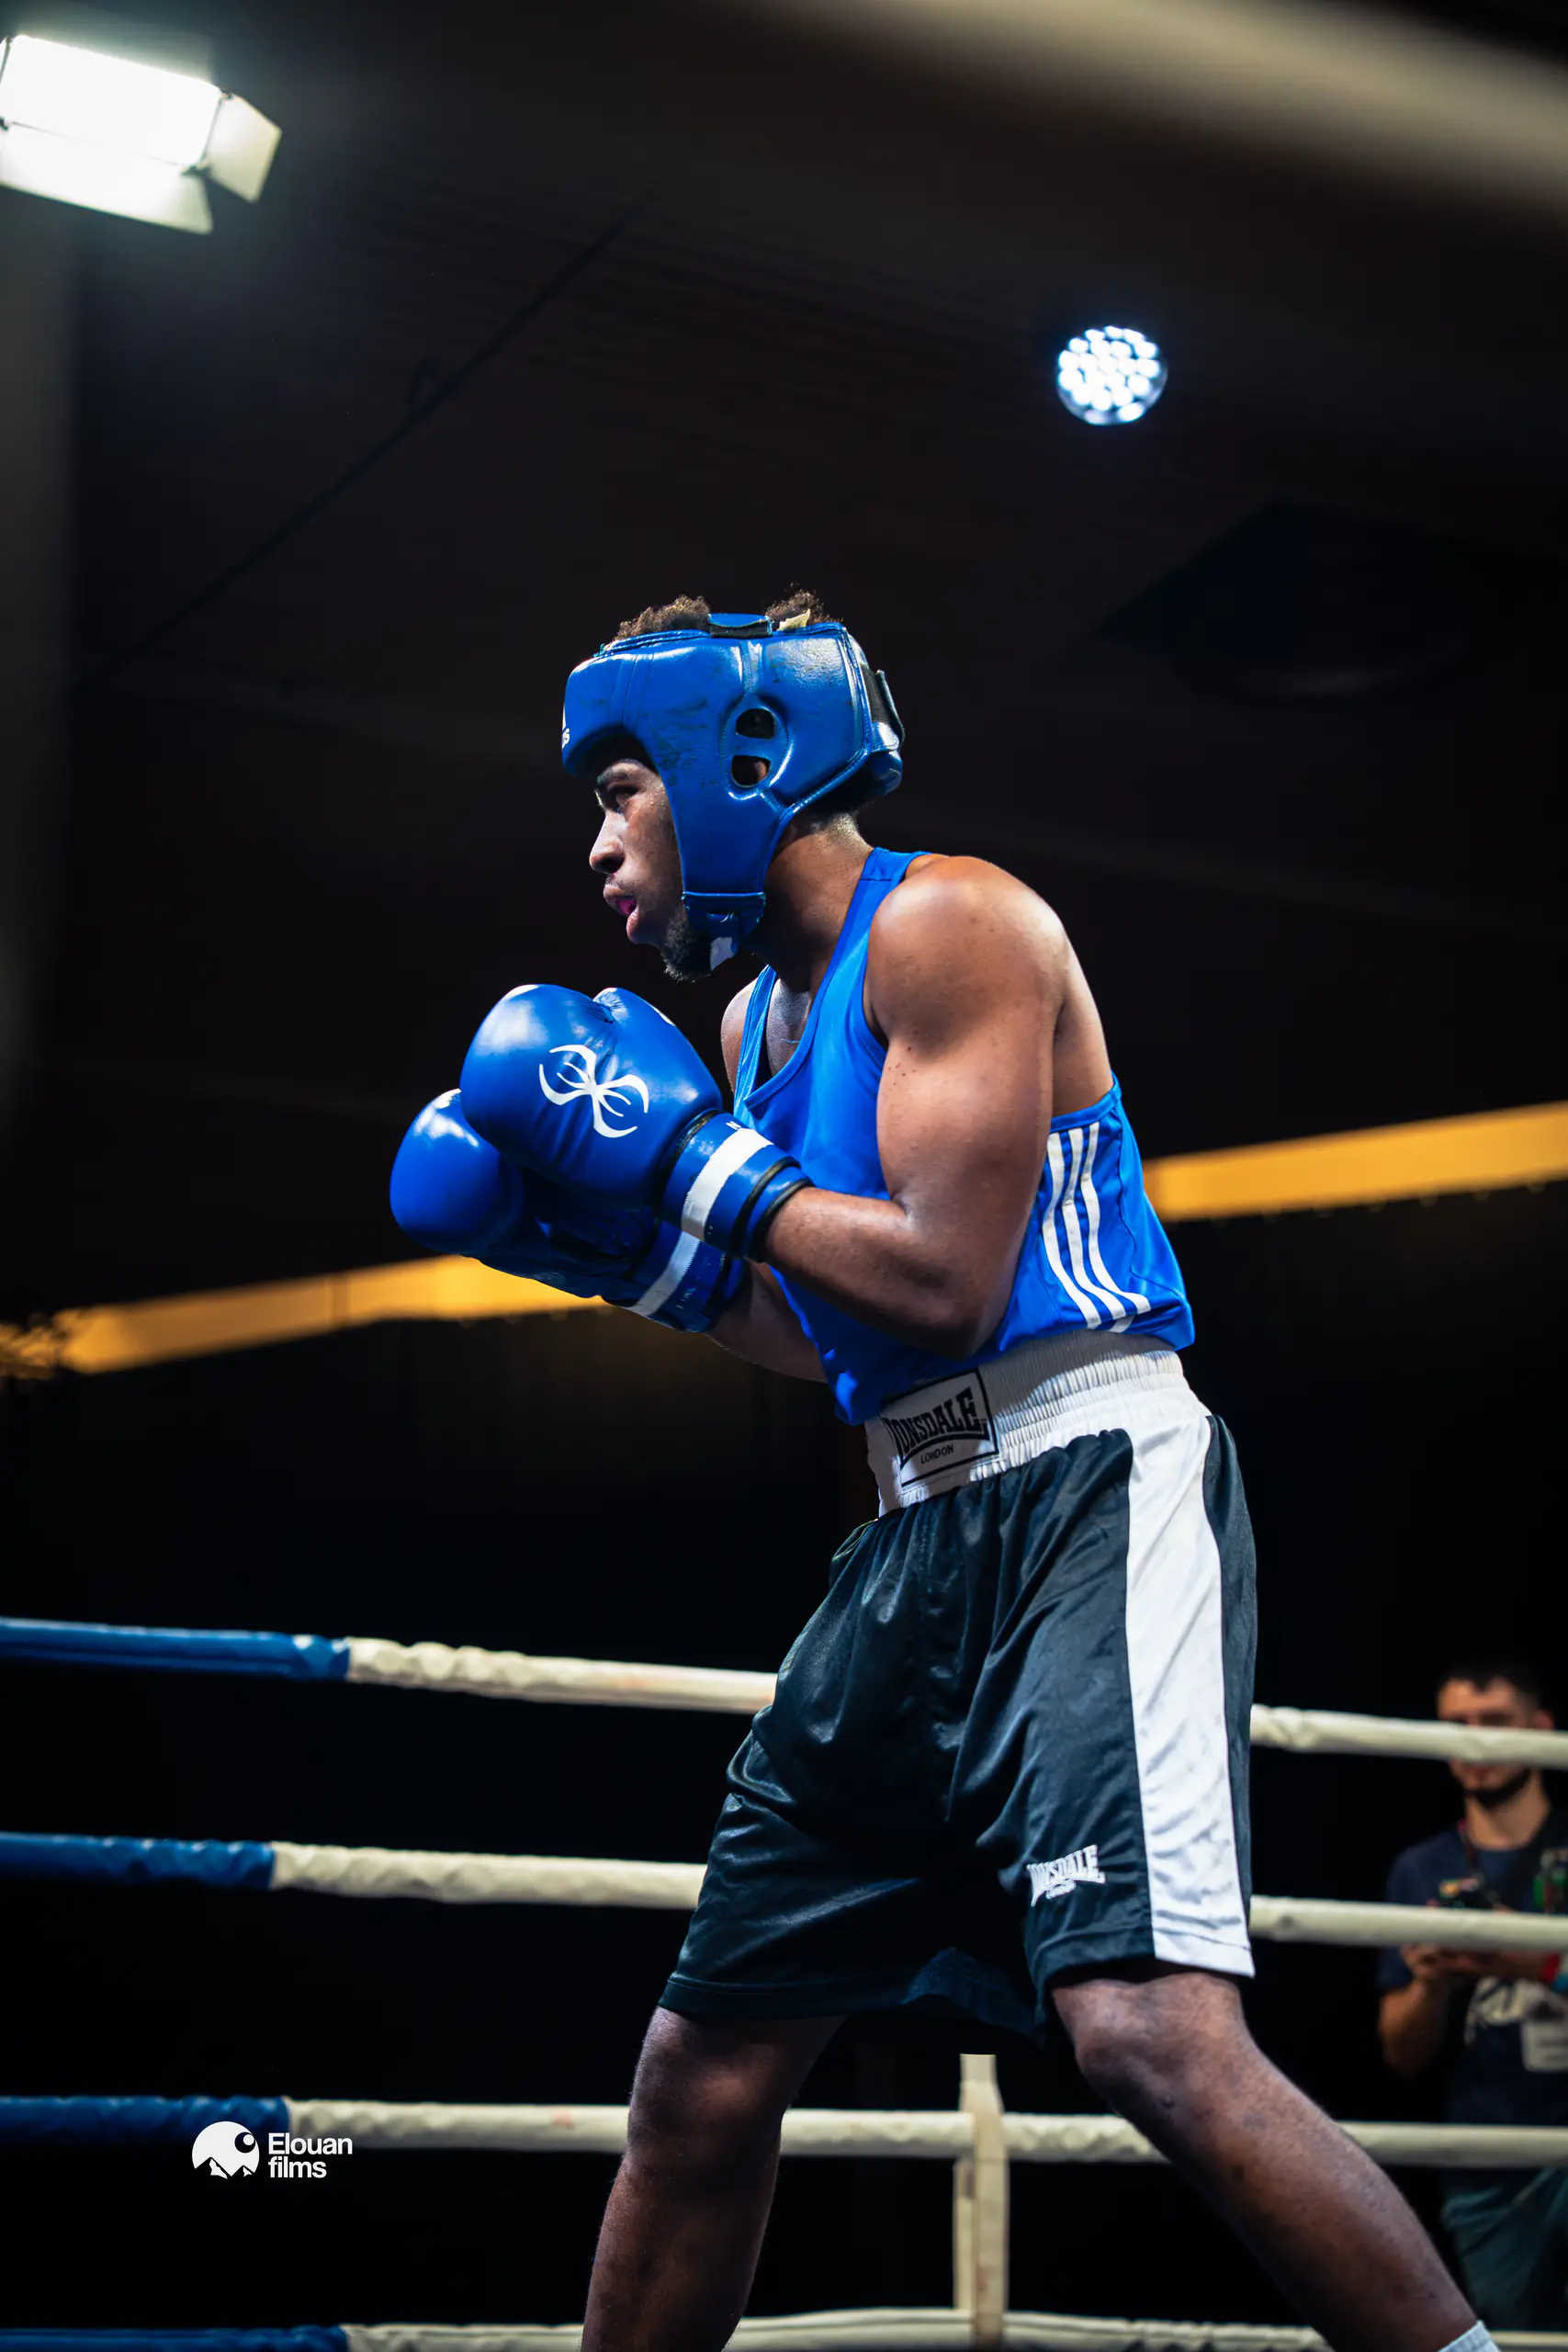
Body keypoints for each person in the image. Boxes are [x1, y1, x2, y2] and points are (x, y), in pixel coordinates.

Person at [392, 590, 1490, 2352]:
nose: (598, 846)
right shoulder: (757, 1029)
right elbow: (826, 1331)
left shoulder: (955, 928)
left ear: (729, 755)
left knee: (1148, 2040)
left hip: (1082, 1483)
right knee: (701, 2070)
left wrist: (679, 1164)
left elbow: (943, 1279)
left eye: (618, 791)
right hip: (913, 1526)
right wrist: (622, 1259)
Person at [1379, 1657, 1568, 2327]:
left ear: (1540, 1729)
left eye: (1494, 1723)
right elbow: (1401, 2054)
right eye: (1457, 1725)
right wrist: (1430, 1981)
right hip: (1486, 2166)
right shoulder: (1421, 1868)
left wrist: (1540, 1964)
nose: (1475, 1742)